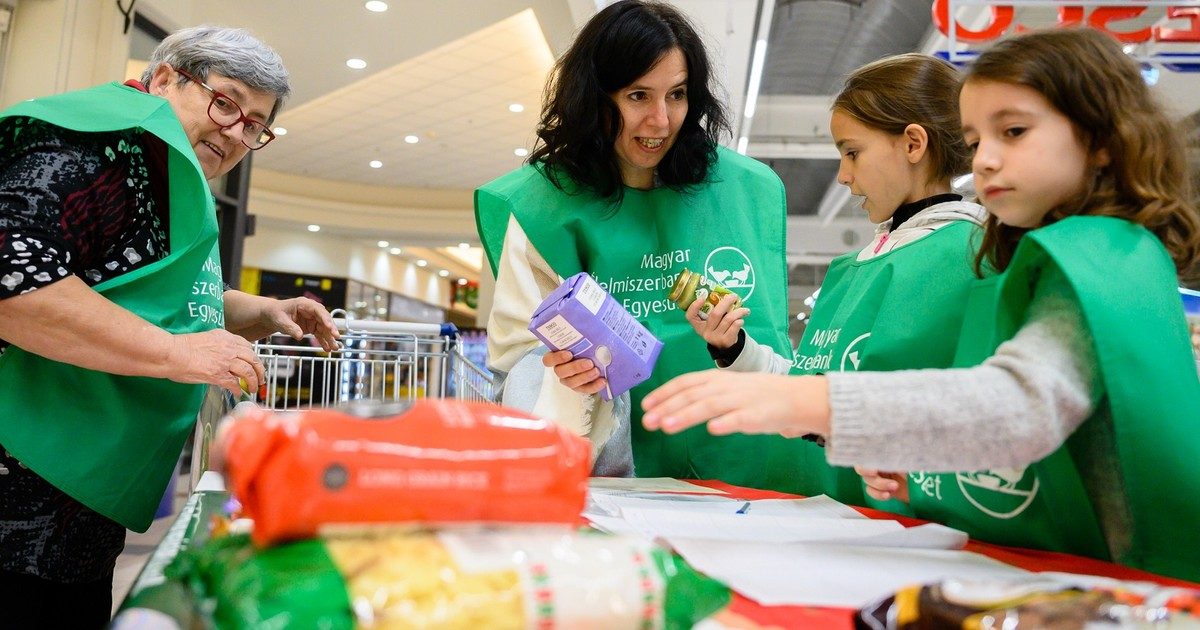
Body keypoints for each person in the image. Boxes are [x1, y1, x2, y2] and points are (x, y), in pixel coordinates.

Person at [643, 27, 1200, 582]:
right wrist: (931, 466)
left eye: (1014, 131)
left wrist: (813, 400)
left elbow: (1016, 406)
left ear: (1101, 139)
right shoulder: (1083, 253)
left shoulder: (1099, 258)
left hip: (1130, 581)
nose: (983, 161)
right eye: (977, 142)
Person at [0, 26, 340, 625]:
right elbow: (13, 282)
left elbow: (153, 296)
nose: (237, 131)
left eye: (255, 124)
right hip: (18, 498)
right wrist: (179, 355)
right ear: (163, 79)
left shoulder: (172, 176)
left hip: (79, 502)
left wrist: (260, 311)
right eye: (225, 102)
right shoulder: (94, 147)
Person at [476, 0, 797, 486]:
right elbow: (518, 361)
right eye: (637, 96)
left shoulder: (744, 192)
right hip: (609, 480)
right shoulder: (542, 207)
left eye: (677, 95)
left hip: (740, 472)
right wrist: (562, 379)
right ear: (594, 98)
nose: (661, 121)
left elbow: (772, 347)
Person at [687, 54, 985, 506]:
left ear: (912, 144)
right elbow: (813, 392)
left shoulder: (969, 256)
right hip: (840, 512)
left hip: (915, 524)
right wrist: (735, 350)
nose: (844, 176)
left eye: (852, 153)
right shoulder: (856, 266)